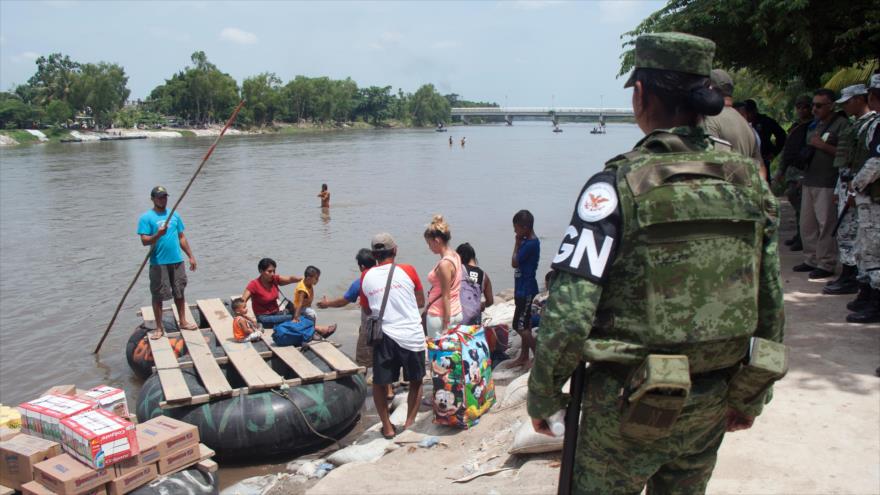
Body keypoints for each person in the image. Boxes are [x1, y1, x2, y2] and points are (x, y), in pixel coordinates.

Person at [528, 33, 785, 493]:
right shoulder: (748, 182)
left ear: (641, 94)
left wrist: (544, 394)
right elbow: (770, 298)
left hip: (624, 408)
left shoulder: (615, 186)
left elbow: (569, 315)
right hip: (712, 398)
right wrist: (751, 395)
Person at [359, 233, 426, 439]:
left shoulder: (365, 276)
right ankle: (409, 424)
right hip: (411, 334)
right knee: (416, 381)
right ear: (395, 250)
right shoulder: (408, 270)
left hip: (384, 336)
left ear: (373, 254)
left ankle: (387, 428)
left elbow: (368, 309)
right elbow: (421, 301)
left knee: (380, 383)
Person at [317, 249, 392, 398]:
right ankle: (389, 390)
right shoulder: (386, 277)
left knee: (362, 361)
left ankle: (359, 389)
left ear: (362, 266)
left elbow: (343, 301)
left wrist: (327, 304)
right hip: (389, 324)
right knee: (385, 358)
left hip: (370, 326)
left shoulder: (361, 281)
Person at [794, 88, 850, 279]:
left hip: (827, 181)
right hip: (810, 178)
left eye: (819, 105)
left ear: (831, 105)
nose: (814, 109)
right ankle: (811, 258)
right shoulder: (814, 125)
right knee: (807, 223)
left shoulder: (842, 125)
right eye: (813, 105)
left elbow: (846, 154)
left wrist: (823, 146)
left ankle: (826, 262)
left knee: (826, 223)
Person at [824, 84, 874, 295]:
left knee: (856, 235)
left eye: (848, 101)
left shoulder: (872, 124)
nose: (845, 106)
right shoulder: (856, 125)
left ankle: (853, 277)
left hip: (860, 188)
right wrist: (840, 189)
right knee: (845, 232)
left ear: (860, 100)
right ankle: (848, 274)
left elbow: (870, 162)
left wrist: (856, 189)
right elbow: (847, 163)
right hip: (847, 184)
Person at [137, 186, 198, 339]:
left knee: (179, 291)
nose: (162, 200)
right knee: (158, 294)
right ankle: (159, 327)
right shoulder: (146, 218)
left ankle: (183, 321)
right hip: (159, 262)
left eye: (164, 197)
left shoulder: (174, 215)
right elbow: (144, 241)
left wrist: (190, 255)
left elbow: (181, 237)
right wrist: (158, 234)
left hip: (177, 260)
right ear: (153, 199)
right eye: (159, 197)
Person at [848, 73, 880, 324]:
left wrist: (855, 185)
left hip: (874, 197)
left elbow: (875, 163)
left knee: (874, 251)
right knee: (865, 247)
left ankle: (875, 302)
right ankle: (868, 294)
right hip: (870, 197)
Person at [773, 95, 815, 252]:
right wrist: (780, 171)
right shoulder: (797, 126)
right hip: (792, 170)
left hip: (803, 170)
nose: (802, 110)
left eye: (805, 106)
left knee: (802, 206)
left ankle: (803, 237)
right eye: (799, 107)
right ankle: (800, 235)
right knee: (795, 201)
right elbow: (787, 151)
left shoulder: (813, 127)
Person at [703, 69, 765, 177]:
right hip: (744, 191)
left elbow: (710, 166)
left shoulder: (710, 119)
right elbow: (761, 170)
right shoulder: (747, 126)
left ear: (710, 88)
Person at [423, 215, 463, 334]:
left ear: (437, 241)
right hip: (456, 311)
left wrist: (446, 325)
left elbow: (446, 295)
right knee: (454, 351)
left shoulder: (444, 264)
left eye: (429, 243)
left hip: (440, 316)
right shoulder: (455, 255)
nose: (429, 247)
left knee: (439, 351)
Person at [510, 209, 539, 369]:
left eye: (516, 228)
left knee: (519, 325)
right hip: (521, 288)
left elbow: (514, 262)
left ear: (525, 227)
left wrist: (516, 243)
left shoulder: (531, 244)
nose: (515, 231)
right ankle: (523, 356)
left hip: (526, 289)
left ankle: (538, 356)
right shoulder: (527, 242)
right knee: (525, 324)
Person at [241, 258, 302, 328]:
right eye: (269, 271)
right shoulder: (254, 284)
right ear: (261, 271)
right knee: (294, 317)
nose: (272, 274)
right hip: (263, 318)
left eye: (274, 271)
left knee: (299, 311)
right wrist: (246, 318)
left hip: (276, 314)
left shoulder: (274, 279)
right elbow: (242, 302)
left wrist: (303, 278)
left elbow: (290, 279)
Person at [744, 98, 787, 175]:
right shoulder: (742, 122)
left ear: (755, 111)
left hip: (762, 158)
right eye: (746, 112)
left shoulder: (765, 121)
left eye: (749, 112)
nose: (748, 115)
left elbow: (782, 135)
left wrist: (774, 152)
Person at [455, 242, 494, 326]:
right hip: (475, 320)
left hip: (459, 316)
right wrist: (482, 305)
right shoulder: (484, 276)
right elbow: (490, 301)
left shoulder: (459, 270)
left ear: (460, 256)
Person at [292, 265, 337, 336]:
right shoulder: (302, 290)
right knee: (312, 314)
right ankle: (312, 332)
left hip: (305, 306)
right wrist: (296, 317)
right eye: (316, 278)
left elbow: (307, 300)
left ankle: (312, 329)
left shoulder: (308, 282)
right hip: (299, 308)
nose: (318, 280)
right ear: (309, 278)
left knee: (311, 311)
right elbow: (299, 304)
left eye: (318, 278)